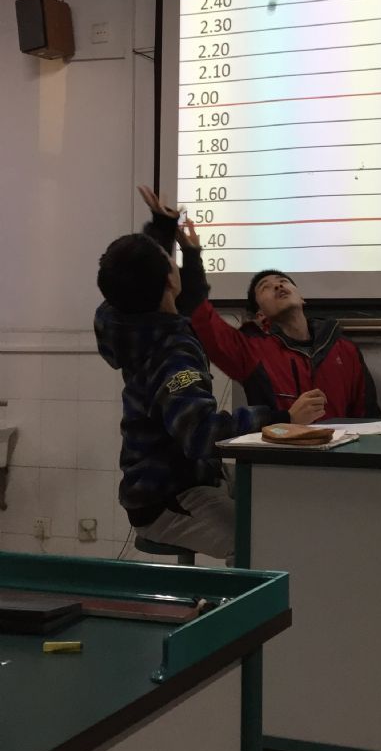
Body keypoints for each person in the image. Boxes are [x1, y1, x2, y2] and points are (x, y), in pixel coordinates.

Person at [95, 210, 303, 564]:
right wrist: (282, 418)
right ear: (168, 281)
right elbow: (201, 433)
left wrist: (171, 239)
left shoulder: (119, 319)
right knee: (259, 543)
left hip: (179, 477)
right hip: (168, 497)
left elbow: (148, 283)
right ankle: (237, 602)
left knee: (281, 502)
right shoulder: (172, 353)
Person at [137, 189, 380, 421]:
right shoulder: (250, 349)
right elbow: (200, 315)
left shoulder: (343, 348)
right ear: (260, 314)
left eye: (283, 281)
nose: (278, 285)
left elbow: (368, 417)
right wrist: (190, 253)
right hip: (278, 450)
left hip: (343, 449)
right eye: (265, 287)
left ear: (302, 298)